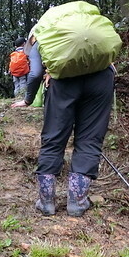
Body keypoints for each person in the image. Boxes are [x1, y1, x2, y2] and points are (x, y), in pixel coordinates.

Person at [11, 31, 115, 217]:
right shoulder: (90, 35)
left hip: (63, 82)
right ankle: (77, 202)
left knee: (54, 138)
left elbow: (34, 74)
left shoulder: (44, 36)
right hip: (101, 79)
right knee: (89, 139)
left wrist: (27, 100)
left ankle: (46, 203)